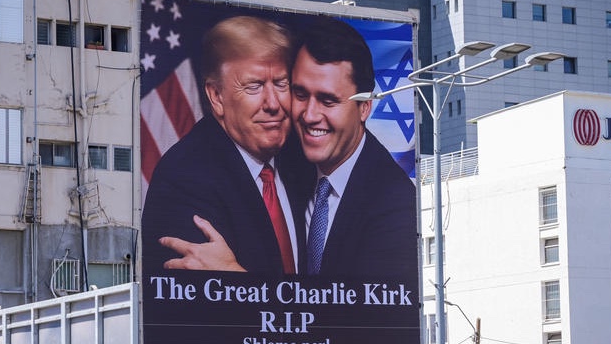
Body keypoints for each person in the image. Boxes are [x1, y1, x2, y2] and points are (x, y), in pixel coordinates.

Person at [141, 15, 311, 274]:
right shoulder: (184, 178)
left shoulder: (305, 160)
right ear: (216, 96)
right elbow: (203, 306)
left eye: (281, 83)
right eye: (254, 86)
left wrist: (237, 277)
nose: (273, 103)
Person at [290, 17, 416, 277]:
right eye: (301, 95)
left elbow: (363, 310)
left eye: (328, 101)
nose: (309, 115)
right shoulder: (283, 165)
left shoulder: (395, 201)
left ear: (364, 107)